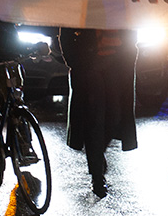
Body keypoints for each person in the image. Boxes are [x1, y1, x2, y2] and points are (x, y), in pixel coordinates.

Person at [58, 28, 138, 198]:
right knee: (94, 120)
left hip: (117, 64)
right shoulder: (81, 5)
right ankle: (97, 176)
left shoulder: (118, 4)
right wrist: (75, 62)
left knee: (115, 117)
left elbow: (130, 26)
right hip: (90, 66)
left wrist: (129, 52)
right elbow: (66, 32)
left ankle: (98, 155)